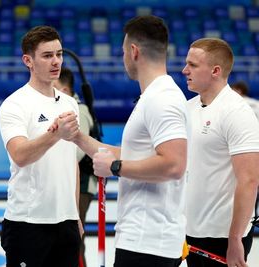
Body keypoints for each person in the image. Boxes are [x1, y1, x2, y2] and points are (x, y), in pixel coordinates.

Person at [60, 15, 189, 267]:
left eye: (122, 52)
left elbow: (174, 165)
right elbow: (129, 153)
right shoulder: (154, 96)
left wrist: (115, 168)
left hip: (149, 241)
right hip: (145, 238)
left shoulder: (162, 99)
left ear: (134, 51)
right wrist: (77, 137)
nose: (122, 58)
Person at [0, 25, 82, 267]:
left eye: (59, 54)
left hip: (66, 223)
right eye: (47, 56)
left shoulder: (70, 103)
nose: (56, 61)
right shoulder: (15, 104)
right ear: (28, 60)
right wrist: (55, 134)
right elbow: (20, 155)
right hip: (27, 223)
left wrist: (74, 214)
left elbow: (71, 164)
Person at [182, 38, 259, 267]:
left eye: (193, 65)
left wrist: (235, 238)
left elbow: (249, 179)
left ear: (215, 70)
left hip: (222, 237)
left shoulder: (237, 112)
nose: (184, 70)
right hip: (189, 230)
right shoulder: (187, 108)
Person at [53, 67, 96, 267]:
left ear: (65, 89)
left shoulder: (80, 110)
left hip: (82, 185)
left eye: (54, 88)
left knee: (73, 238)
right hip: (67, 182)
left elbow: (77, 151)